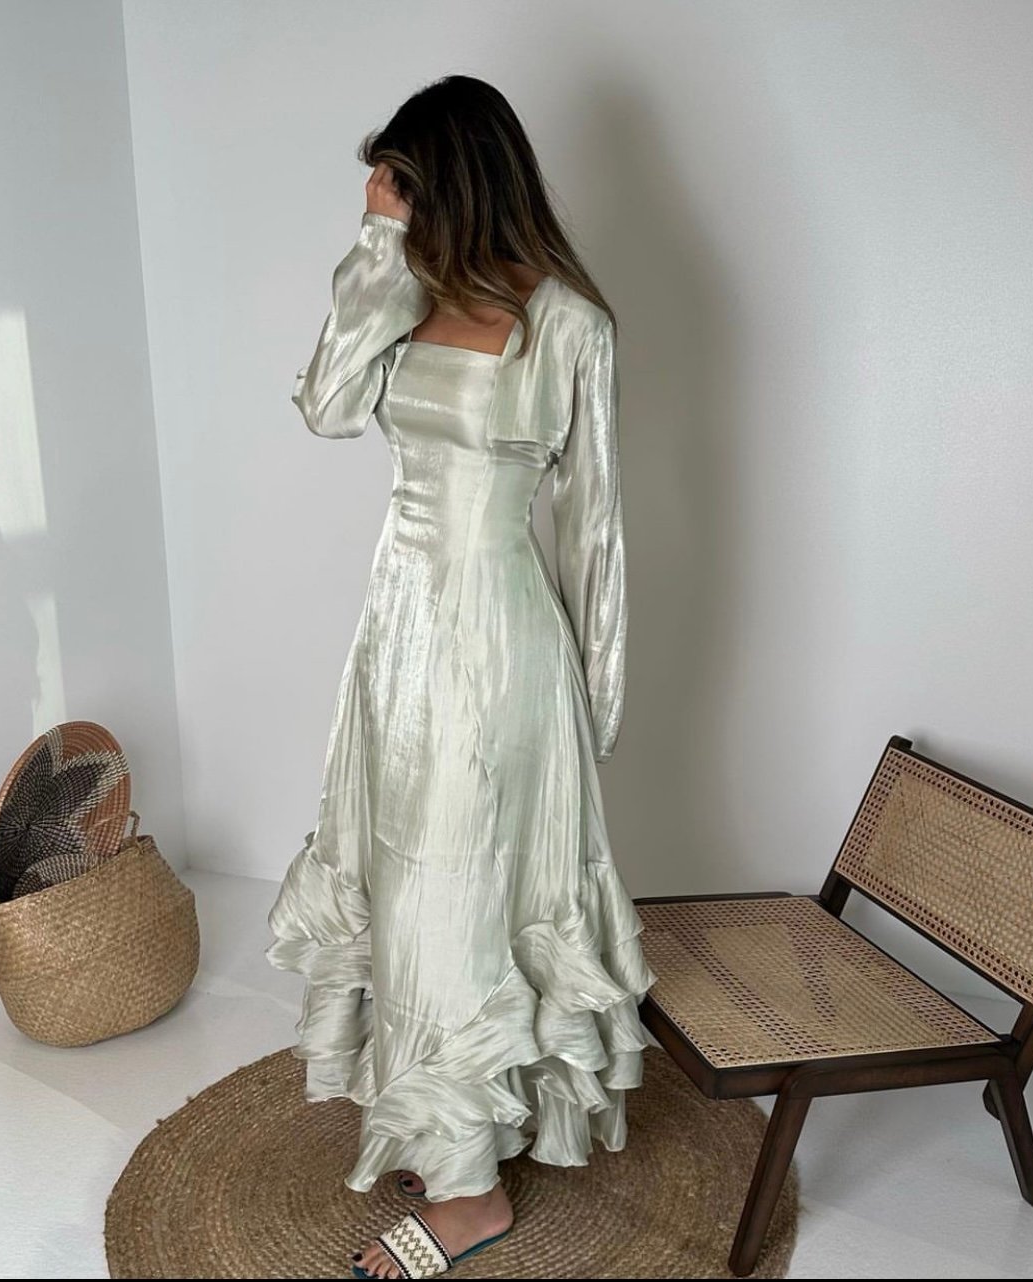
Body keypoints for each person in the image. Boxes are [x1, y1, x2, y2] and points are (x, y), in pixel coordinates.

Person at [267, 74, 656, 1281]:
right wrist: (376, 247)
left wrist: (591, 706)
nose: (379, 197)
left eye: (395, 181)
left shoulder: (569, 325)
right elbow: (327, 407)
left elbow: (595, 526)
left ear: (455, 178)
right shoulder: (405, 295)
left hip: (496, 648)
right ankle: (451, 1122)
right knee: (409, 889)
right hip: (395, 642)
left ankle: (472, 1196)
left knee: (456, 899)